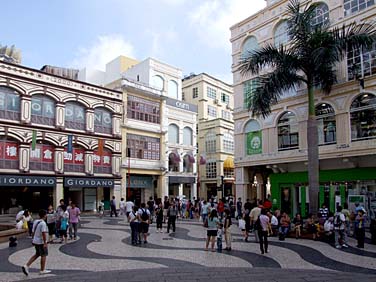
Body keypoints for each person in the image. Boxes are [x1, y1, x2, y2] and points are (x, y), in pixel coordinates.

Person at [22, 209, 51, 276]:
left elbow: (32, 231)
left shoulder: (36, 221)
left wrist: (33, 239)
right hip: (41, 242)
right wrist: (45, 242)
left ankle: (26, 265)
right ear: (45, 215)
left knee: (37, 254)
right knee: (43, 255)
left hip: (35, 240)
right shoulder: (43, 223)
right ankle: (42, 269)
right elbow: (43, 233)